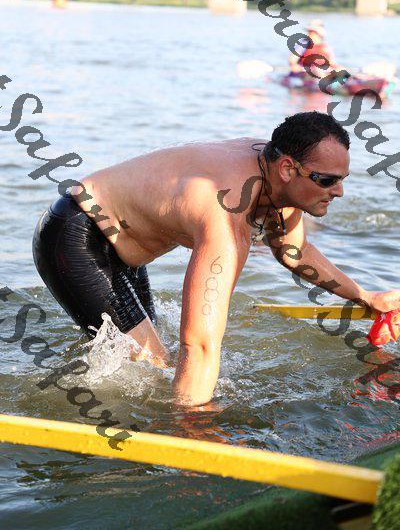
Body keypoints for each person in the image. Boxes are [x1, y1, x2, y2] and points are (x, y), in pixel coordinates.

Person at [32, 111, 400, 407]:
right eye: (327, 180)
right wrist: (196, 431)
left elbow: (295, 251)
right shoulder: (226, 214)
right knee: (152, 367)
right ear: (288, 169)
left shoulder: (277, 175)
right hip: (75, 238)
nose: (339, 191)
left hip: (120, 247)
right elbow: (200, 343)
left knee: (153, 364)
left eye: (342, 179)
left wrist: (364, 296)